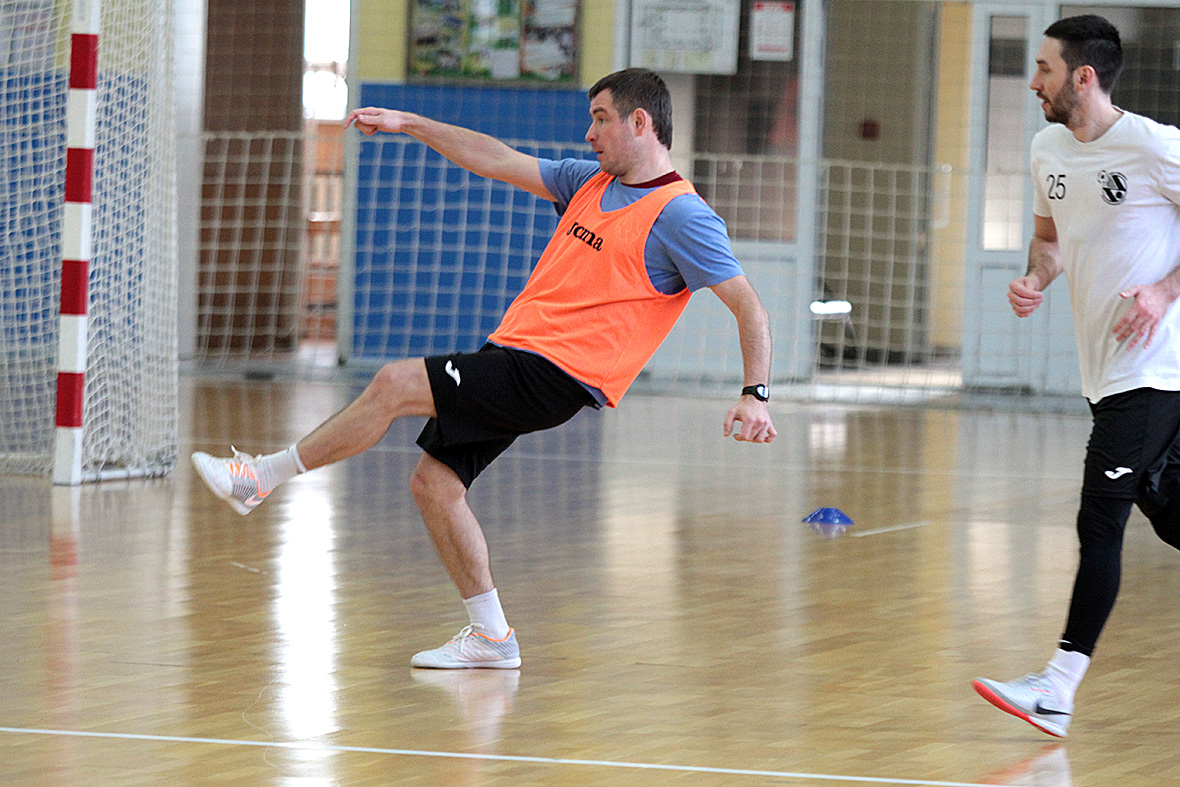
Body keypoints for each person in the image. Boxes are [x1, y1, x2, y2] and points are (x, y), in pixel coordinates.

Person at [191, 68, 777, 670]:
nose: (589, 134)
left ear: (640, 122)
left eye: (601, 119)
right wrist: (408, 122)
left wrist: (754, 394)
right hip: (513, 353)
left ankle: (258, 478)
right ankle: (493, 638)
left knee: (393, 383)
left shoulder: (682, 215)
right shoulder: (589, 183)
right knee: (435, 485)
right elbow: (495, 159)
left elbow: (748, 306)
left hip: (556, 373)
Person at [973, 15, 1180, 737]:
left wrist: (1163, 292)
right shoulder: (1047, 149)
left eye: (1044, 68)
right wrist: (1036, 278)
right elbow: (1050, 239)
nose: (1034, 82)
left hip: (1155, 368)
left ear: (1083, 77)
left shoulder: (1154, 146)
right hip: (1106, 372)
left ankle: (1056, 689)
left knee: (1101, 518)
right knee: (1169, 509)